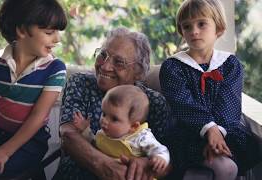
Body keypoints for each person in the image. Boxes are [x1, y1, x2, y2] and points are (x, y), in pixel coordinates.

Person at [53, 27, 171, 180]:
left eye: (119, 62)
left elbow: (167, 161)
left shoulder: (153, 102)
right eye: (103, 55)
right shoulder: (81, 83)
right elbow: (68, 135)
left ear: (139, 72)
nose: (105, 66)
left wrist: (146, 162)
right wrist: (105, 166)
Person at [159, 0, 261, 179]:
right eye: (187, 26)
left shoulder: (230, 64)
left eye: (201, 24)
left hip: (225, 131)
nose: (194, 31)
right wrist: (208, 129)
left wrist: (217, 133)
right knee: (209, 170)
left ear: (219, 29)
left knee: (227, 168)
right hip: (187, 134)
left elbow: (229, 104)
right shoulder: (173, 67)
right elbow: (183, 103)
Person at [0, 0, 67, 179]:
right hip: (0, 136)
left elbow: (38, 116)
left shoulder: (55, 69)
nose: (57, 39)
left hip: (31, 141)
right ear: (21, 30)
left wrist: (5, 151)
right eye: (49, 32)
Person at [72, 85, 170, 176]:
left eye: (114, 119)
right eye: (104, 114)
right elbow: (94, 144)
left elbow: (160, 149)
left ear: (134, 126)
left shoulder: (141, 137)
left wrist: (160, 158)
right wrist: (85, 130)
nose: (105, 121)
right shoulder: (104, 133)